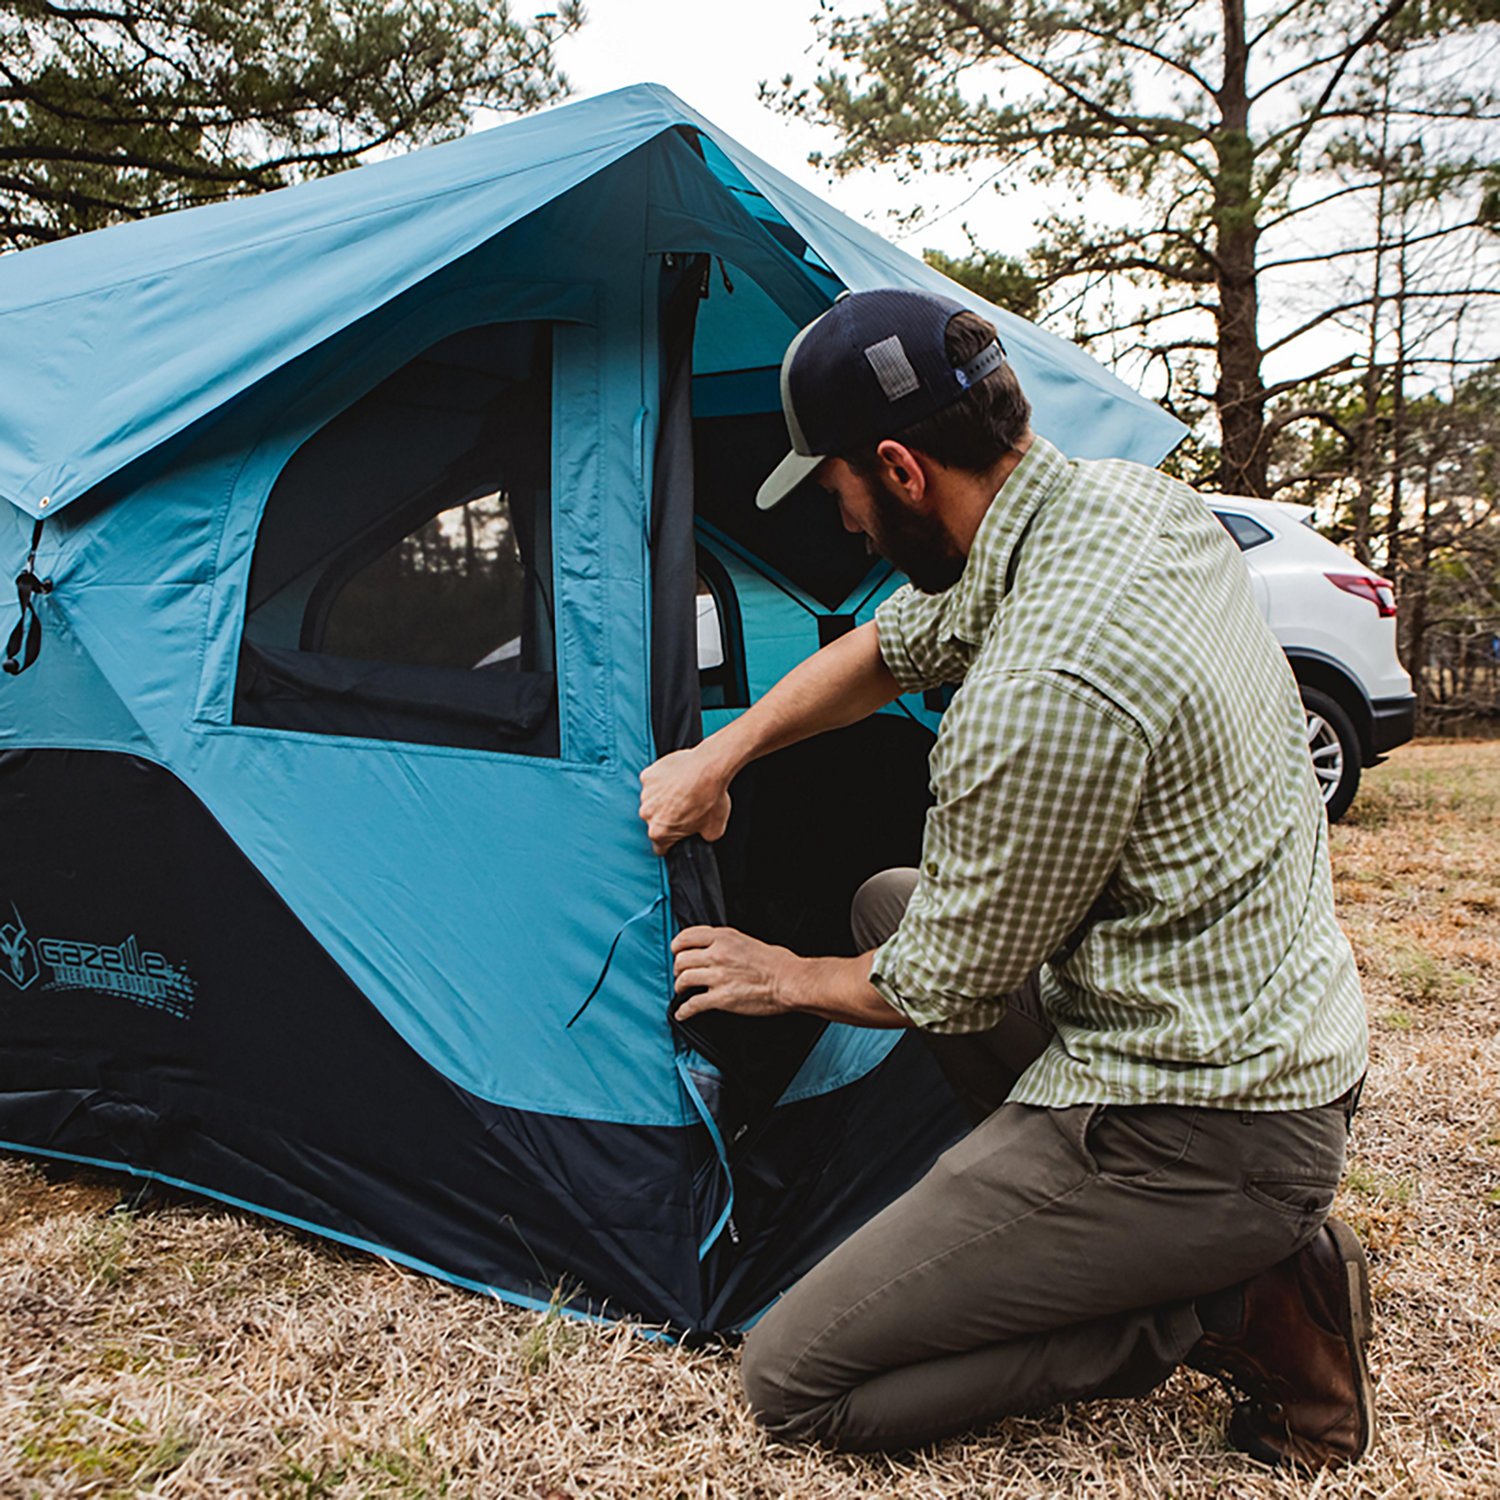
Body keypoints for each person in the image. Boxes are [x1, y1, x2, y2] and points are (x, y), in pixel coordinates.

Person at [638, 288, 1373, 1467]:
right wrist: (723, 753)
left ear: (900, 468)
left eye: (838, 493)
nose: (846, 525)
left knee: (794, 1381)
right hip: (1270, 1036)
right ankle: (1144, 1238)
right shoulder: (1125, 506)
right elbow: (889, 648)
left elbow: (941, 985)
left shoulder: (1039, 691)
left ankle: (1225, 1301)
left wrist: (782, 977)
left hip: (1202, 1127)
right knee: (889, 898)